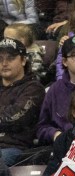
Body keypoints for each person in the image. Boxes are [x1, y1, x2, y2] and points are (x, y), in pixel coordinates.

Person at [0, 37, 45, 166]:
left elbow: (15, 118)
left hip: (13, 148)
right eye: (0, 58)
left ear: (24, 60)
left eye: (10, 58)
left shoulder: (33, 88)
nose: (4, 63)